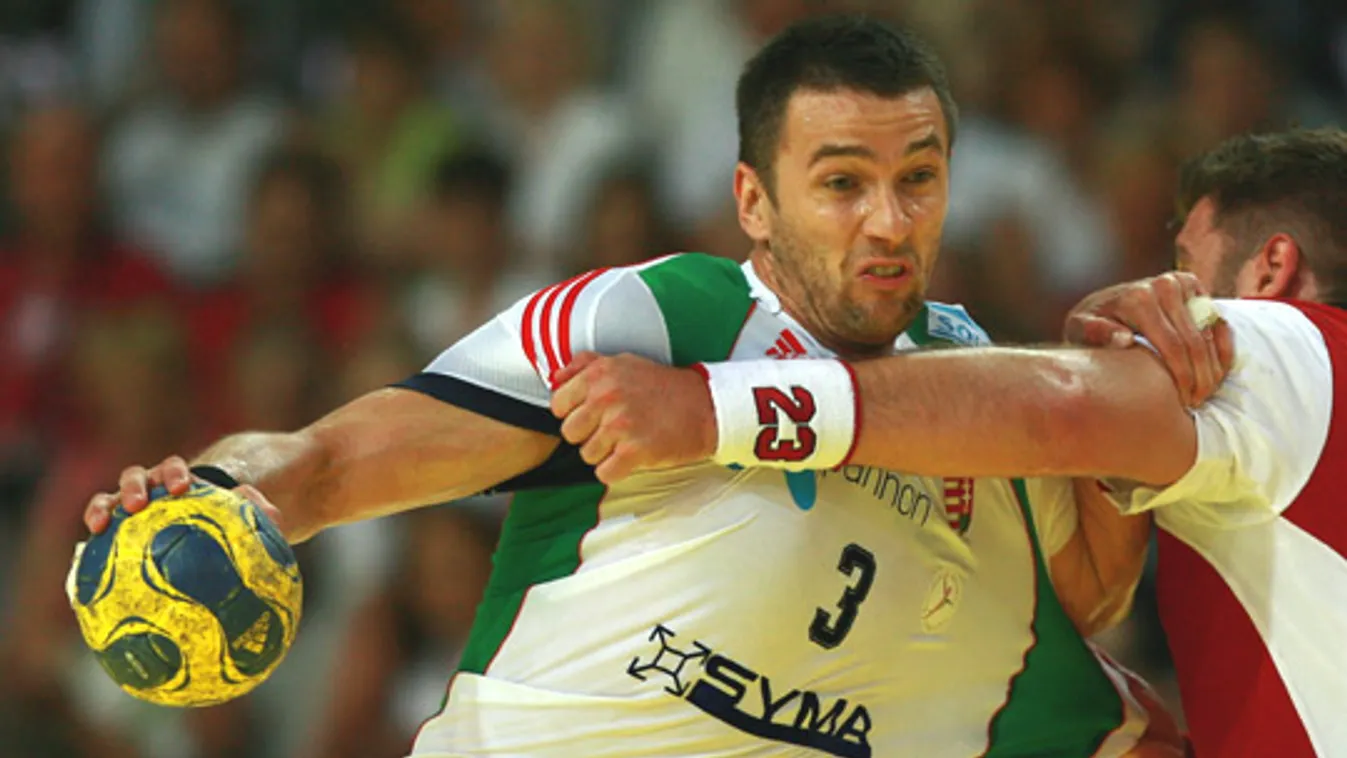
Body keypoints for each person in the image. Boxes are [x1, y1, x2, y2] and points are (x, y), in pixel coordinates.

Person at [81, 16, 1180, 757]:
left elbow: (1080, 599)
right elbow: (329, 462)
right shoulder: (666, 317)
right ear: (753, 201)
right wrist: (220, 491)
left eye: (919, 179)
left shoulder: (974, 391)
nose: (889, 222)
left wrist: (1134, 365)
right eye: (842, 182)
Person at [551, 127, 1347, 757]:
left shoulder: (1285, 348)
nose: (1171, 298)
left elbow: (1061, 410)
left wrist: (714, 407)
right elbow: (1090, 590)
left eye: (1184, 269)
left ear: (1272, 268)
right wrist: (1102, 342)